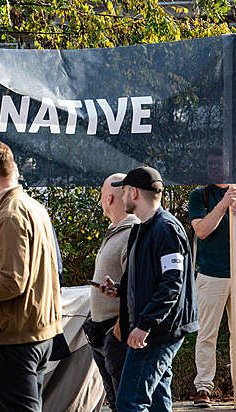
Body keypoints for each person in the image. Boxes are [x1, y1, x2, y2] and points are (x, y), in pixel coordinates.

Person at [0, 139, 63, 412]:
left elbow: (11, 281)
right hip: (33, 334)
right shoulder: (32, 207)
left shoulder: (10, 214)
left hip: (14, 340)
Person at [102, 166, 198, 411]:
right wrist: (121, 290)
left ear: (133, 193)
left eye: (124, 191)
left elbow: (172, 284)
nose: (122, 198)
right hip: (153, 328)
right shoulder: (142, 228)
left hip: (157, 332)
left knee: (130, 402)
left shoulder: (166, 229)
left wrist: (144, 325)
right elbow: (153, 279)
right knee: (157, 398)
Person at [189, 147, 236, 407]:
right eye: (210, 163)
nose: (214, 167)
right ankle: (204, 388)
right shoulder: (201, 195)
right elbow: (203, 231)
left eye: (219, 162)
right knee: (207, 334)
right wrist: (223, 204)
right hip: (211, 276)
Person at [90, 173, 139, 412]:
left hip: (117, 336)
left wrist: (119, 330)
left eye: (101, 195)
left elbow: (137, 287)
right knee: (116, 404)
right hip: (103, 336)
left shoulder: (132, 233)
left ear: (109, 198)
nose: (100, 200)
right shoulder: (114, 230)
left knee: (126, 403)